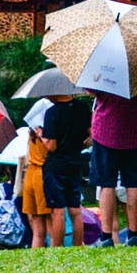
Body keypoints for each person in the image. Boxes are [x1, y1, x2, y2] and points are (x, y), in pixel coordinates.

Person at [89, 87, 137, 246]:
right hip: (135, 130)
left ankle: (106, 236)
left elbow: (90, 90)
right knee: (133, 182)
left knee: (106, 183)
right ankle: (133, 235)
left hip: (105, 130)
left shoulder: (103, 63)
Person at [39, 94, 90, 248]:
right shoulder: (82, 108)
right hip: (75, 162)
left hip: (56, 166)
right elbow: (93, 134)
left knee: (58, 210)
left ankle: (58, 248)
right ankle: (78, 246)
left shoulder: (52, 113)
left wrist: (41, 135)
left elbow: (51, 146)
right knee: (75, 208)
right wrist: (80, 146)